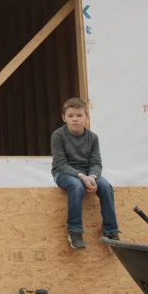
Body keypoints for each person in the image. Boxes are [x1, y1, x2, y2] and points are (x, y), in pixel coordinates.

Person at [51, 97, 120, 249]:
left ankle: (111, 231)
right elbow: (60, 163)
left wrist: (93, 177)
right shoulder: (58, 136)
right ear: (64, 118)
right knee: (77, 186)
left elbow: (96, 162)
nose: (75, 119)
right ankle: (74, 232)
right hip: (63, 173)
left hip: (88, 174)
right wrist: (82, 177)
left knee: (106, 186)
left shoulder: (93, 137)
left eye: (79, 115)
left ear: (86, 117)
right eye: (70, 116)